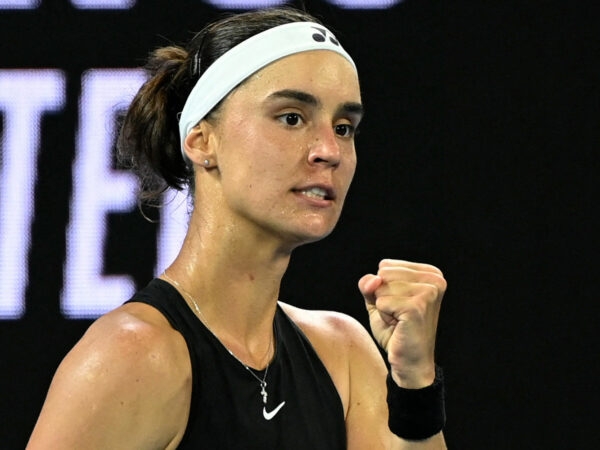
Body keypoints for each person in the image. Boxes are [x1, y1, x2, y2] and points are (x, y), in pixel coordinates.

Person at [27, 7, 447, 449]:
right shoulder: (134, 356)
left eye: (344, 127)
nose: (329, 150)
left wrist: (415, 383)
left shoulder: (343, 354)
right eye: (291, 117)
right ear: (202, 141)